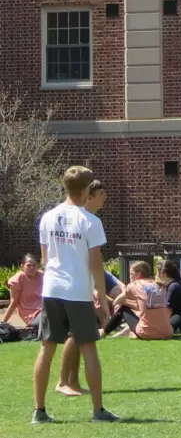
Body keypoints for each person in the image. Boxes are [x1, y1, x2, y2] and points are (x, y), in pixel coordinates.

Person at [33, 166, 118, 424]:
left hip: (52, 289)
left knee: (46, 349)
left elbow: (45, 260)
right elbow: (96, 263)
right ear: (84, 190)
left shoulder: (47, 217)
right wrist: (102, 300)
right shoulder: (90, 221)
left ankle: (39, 411)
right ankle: (98, 411)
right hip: (77, 291)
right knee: (88, 348)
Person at [56, 180, 122, 397]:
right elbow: (89, 259)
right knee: (75, 334)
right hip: (76, 284)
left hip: (83, 281)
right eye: (101, 193)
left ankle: (72, 381)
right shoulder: (81, 220)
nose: (105, 197)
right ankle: (63, 381)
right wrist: (99, 291)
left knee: (79, 335)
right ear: (89, 195)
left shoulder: (89, 220)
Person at [106, 261, 172, 341]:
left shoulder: (135, 285)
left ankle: (104, 332)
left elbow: (117, 301)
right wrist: (126, 302)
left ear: (138, 274)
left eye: (131, 274)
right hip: (167, 333)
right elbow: (144, 306)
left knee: (122, 308)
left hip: (146, 333)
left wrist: (118, 301)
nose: (129, 277)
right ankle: (127, 333)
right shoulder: (158, 285)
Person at [2, 254, 44, 328]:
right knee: (49, 318)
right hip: (31, 315)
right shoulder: (17, 279)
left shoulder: (42, 275)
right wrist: (3, 323)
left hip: (45, 308)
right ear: (22, 266)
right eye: (28, 265)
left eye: (34, 265)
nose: (32, 268)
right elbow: (14, 302)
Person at [158, 259, 181, 334]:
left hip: (180, 325)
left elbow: (168, 311)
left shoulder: (173, 287)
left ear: (162, 273)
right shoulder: (174, 284)